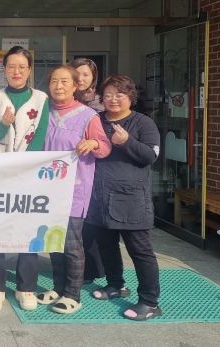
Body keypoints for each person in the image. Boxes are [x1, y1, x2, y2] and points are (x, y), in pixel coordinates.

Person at [85, 74, 163, 321]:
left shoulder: (142, 123)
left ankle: (149, 302)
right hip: (98, 196)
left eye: (119, 94)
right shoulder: (95, 120)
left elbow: (150, 156)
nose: (113, 99)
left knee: (140, 251)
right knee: (106, 245)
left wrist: (126, 141)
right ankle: (116, 285)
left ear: (131, 96)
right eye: (108, 94)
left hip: (131, 199)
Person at [35, 65, 111, 314]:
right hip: (46, 187)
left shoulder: (88, 115)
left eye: (64, 81)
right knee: (51, 239)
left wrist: (93, 142)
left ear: (76, 85)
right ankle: (58, 288)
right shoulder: (42, 112)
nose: (58, 86)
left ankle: (73, 294)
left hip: (73, 188)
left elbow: (105, 147)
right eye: (54, 81)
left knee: (70, 242)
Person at [0, 46, 49, 312]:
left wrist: (23, 167)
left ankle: (26, 287)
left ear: (30, 70)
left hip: (28, 173)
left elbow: (40, 135)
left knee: (28, 229)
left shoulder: (41, 99)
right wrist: (3, 124)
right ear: (4, 69)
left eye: (22, 66)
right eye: (11, 66)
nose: (16, 71)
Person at [70, 57, 106, 285]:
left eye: (86, 74)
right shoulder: (62, 100)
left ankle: (92, 270)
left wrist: (94, 143)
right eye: (77, 73)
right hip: (70, 170)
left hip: (96, 168)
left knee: (90, 221)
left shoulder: (101, 104)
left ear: (94, 78)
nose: (81, 79)